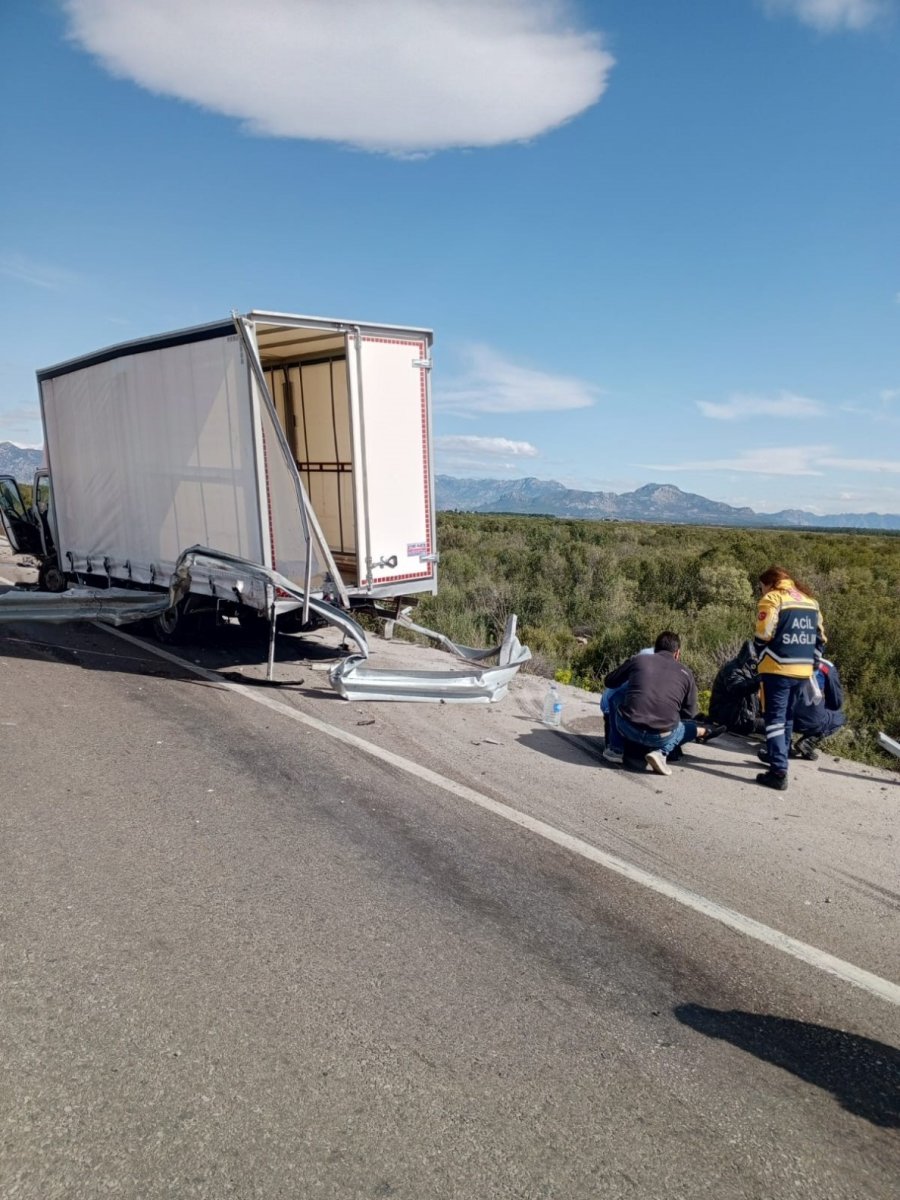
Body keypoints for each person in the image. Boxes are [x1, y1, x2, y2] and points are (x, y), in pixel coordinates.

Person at [604, 632, 725, 776]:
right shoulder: (686, 674)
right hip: (661, 737)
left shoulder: (639, 660)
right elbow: (690, 714)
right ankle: (661, 752)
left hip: (628, 728)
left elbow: (610, 682)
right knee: (686, 727)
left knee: (616, 696)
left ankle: (615, 750)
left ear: (655, 649)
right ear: (677, 653)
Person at [753, 565, 826, 791]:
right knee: (788, 718)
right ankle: (779, 755)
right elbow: (821, 639)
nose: (761, 591)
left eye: (761, 587)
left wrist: (759, 653)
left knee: (774, 719)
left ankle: (778, 771)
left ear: (769, 583)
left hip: (777, 668)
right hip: (802, 671)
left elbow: (763, 634)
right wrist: (812, 665)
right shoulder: (810, 601)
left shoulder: (773, 599)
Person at [758, 656, 844, 763]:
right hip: (809, 720)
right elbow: (836, 702)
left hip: (776, 715)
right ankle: (808, 743)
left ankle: (783, 743)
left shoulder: (782, 657)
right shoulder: (827, 667)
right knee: (839, 717)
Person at [600, 646, 653, 764]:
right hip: (643, 731)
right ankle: (616, 748)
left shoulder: (633, 668)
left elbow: (605, 704)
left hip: (625, 723)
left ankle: (616, 748)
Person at [709, 640, 763, 736]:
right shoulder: (733, 669)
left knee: (779, 724)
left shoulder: (751, 671)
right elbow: (737, 688)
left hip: (742, 718)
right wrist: (760, 680)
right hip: (731, 720)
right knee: (774, 727)